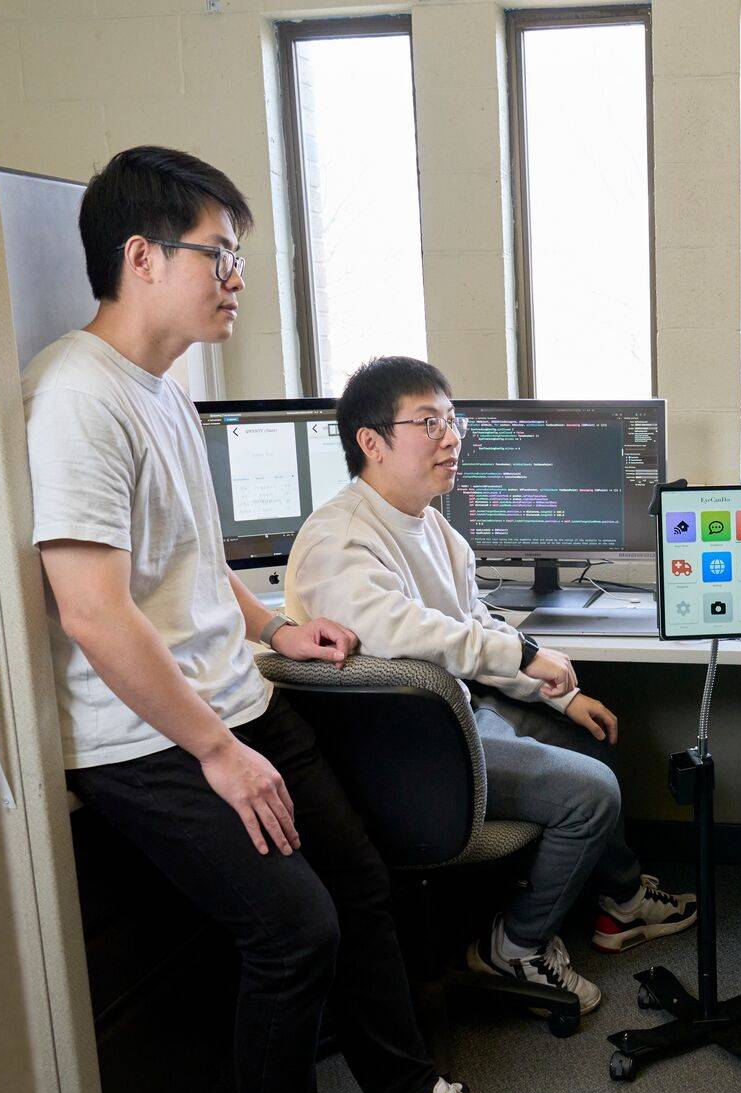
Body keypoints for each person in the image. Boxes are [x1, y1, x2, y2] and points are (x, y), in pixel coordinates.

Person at [27, 147, 541, 1093]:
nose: (236, 277)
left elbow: (186, 561)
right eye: (220, 253)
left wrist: (273, 627)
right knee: (293, 922)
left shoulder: (162, 390)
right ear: (140, 255)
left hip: (229, 693)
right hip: (145, 736)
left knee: (361, 880)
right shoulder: (74, 399)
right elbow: (93, 609)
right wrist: (217, 748)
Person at [283, 355, 697, 1017]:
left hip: (456, 716)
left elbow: (471, 623)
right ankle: (515, 945)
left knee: (589, 740)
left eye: (453, 423)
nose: (452, 439)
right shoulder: (341, 542)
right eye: (430, 424)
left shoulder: (432, 524)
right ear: (371, 441)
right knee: (590, 792)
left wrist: (560, 693)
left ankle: (619, 902)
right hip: (408, 755)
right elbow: (408, 632)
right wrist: (527, 653)